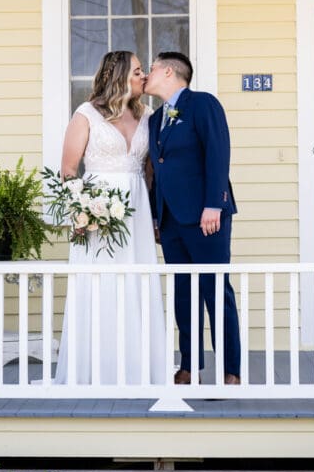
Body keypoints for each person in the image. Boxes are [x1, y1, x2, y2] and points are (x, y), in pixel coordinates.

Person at [54, 50, 166, 385]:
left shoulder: (147, 115)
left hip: (137, 211)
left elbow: (148, 173)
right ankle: (96, 369)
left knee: (137, 282)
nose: (144, 75)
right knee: (100, 283)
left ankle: (138, 368)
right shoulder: (86, 114)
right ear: (118, 76)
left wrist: (156, 214)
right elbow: (68, 170)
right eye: (137, 70)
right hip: (97, 209)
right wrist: (81, 211)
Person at [145, 51, 241, 385]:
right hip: (171, 222)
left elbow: (218, 151)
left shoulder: (203, 104)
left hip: (206, 217)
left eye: (152, 68)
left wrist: (214, 204)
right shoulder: (155, 120)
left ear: (169, 72)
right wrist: (157, 217)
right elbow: (155, 171)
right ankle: (189, 366)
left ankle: (231, 372)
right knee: (183, 294)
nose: (147, 73)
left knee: (216, 292)